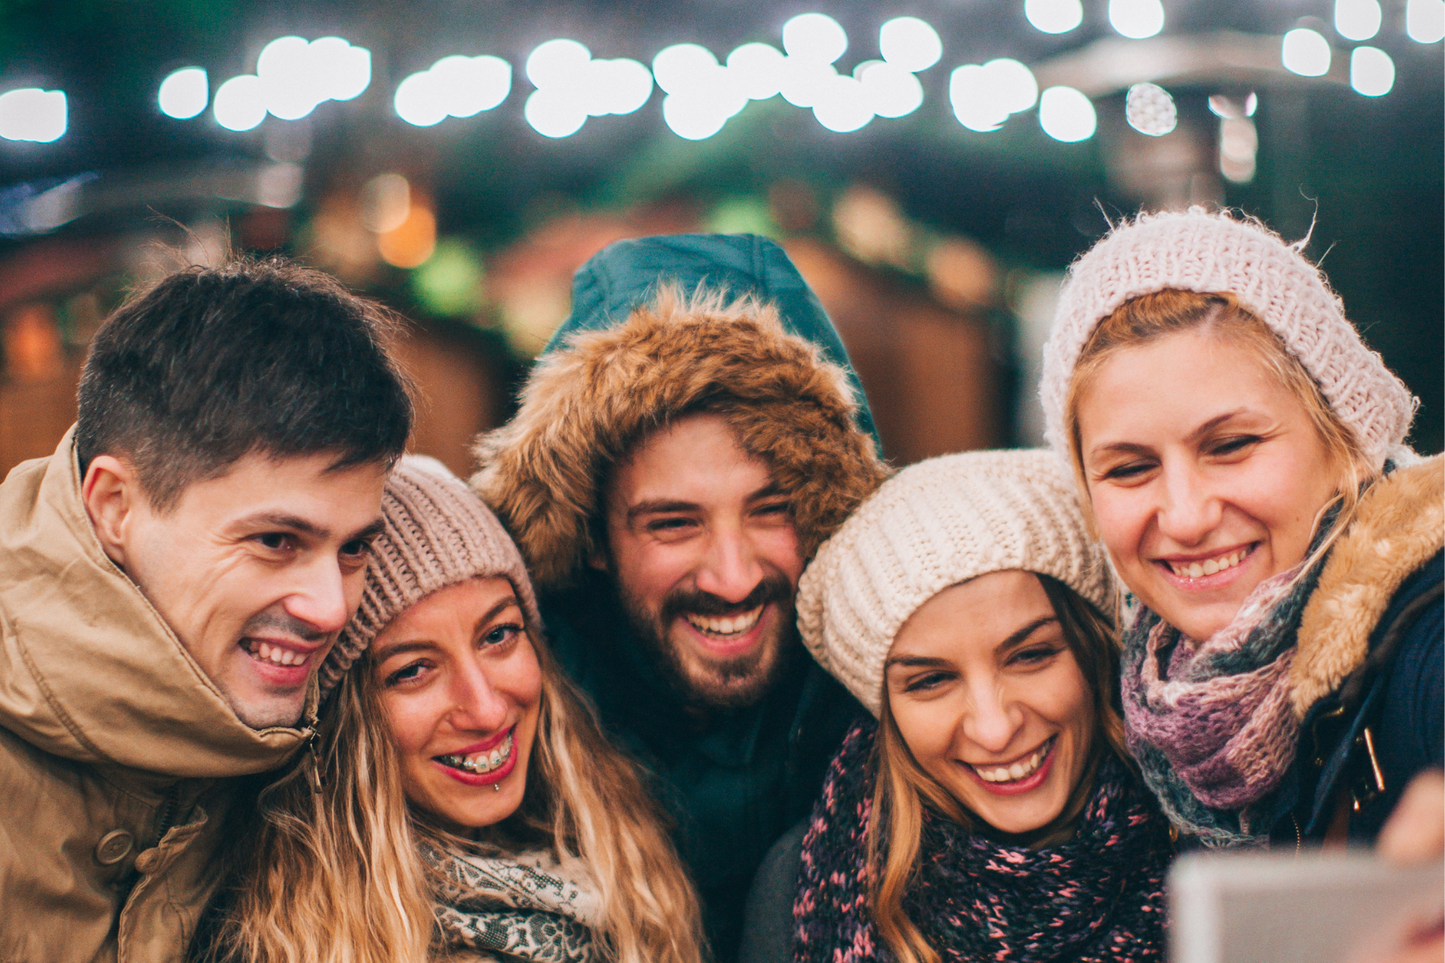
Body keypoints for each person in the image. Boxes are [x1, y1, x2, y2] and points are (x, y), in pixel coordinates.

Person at [472, 233, 891, 960]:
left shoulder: (915, 713)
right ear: (592, 536)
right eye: (673, 523)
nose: (731, 576)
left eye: (772, 508)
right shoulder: (507, 744)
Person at [0, 258, 414, 962]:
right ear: (115, 506)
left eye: (353, 549)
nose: (330, 607)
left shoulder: (325, 747)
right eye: (275, 540)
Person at [1039, 208, 1442, 848]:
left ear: (1344, 441)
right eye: (1130, 468)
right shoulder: (1135, 711)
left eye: (1230, 445)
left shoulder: (1428, 640)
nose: (1187, 516)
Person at [199, 457, 705, 963]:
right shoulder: (287, 944)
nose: (484, 709)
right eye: (414, 670)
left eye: (499, 635)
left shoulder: (623, 868)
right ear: (341, 724)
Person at [742, 450, 1174, 963]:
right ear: (884, 710)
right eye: (931, 682)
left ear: (1096, 651)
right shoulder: (794, 888)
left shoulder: (1216, 846)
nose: (994, 730)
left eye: (1031, 656)